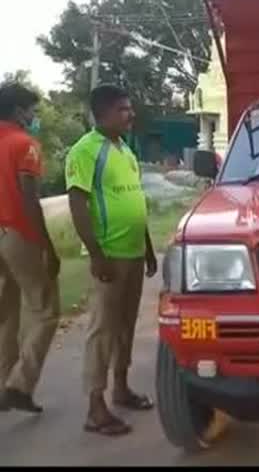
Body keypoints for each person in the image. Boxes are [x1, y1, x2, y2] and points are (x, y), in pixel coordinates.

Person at [65, 85, 158, 436]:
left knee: (125, 327)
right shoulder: (85, 151)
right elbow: (78, 204)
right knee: (102, 330)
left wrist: (148, 247)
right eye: (123, 109)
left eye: (129, 108)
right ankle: (95, 406)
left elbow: (136, 202)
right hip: (110, 255)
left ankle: (121, 387)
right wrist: (97, 254)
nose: (130, 114)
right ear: (101, 113)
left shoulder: (125, 151)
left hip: (133, 252)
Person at [0, 83, 60, 413]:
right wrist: (47, 246)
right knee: (46, 309)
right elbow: (29, 199)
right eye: (31, 110)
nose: (33, 116)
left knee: (6, 312)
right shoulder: (25, 145)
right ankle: (20, 384)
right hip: (17, 233)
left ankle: (4, 385)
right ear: (18, 110)